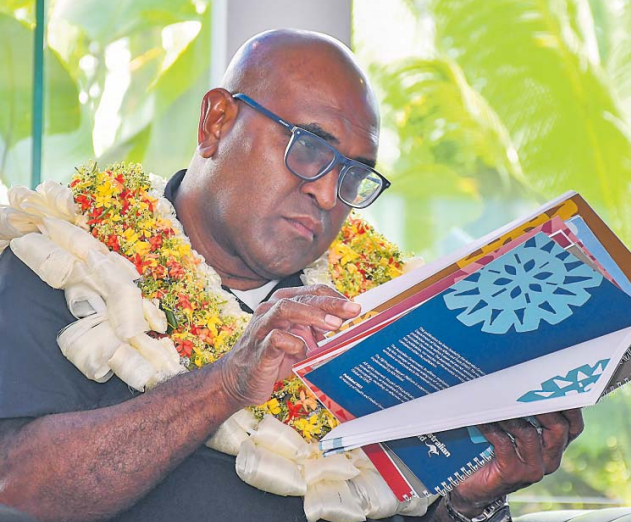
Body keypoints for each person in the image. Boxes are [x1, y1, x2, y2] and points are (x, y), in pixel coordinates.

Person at [0, 29, 583, 522]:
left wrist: (469, 502)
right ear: (215, 122)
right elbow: (16, 489)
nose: (328, 194)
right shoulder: (64, 257)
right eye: (309, 148)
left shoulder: (379, 312)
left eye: (353, 175)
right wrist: (225, 385)